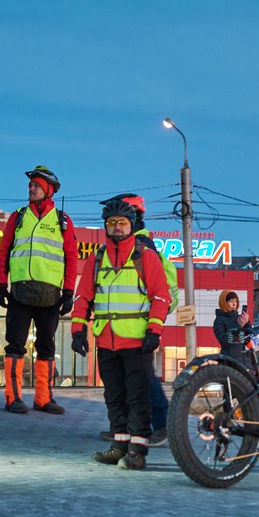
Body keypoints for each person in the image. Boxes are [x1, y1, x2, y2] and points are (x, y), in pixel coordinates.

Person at [71, 198, 171, 470]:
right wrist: (78, 330)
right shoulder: (96, 258)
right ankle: (120, 446)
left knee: (137, 398)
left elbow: (161, 296)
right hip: (106, 340)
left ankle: (137, 453)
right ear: (105, 226)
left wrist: (154, 330)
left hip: (137, 341)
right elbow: (83, 297)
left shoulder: (145, 256)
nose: (117, 227)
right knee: (114, 396)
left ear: (132, 225)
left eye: (123, 223)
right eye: (112, 223)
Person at [0, 165, 77, 414]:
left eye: (37, 185)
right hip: (20, 294)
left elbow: (71, 258)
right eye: (30, 185)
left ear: (49, 190)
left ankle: (43, 398)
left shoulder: (62, 221)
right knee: (15, 346)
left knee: (47, 347)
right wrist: (1, 284)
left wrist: (68, 292)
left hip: (50, 296)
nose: (31, 188)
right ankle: (12, 398)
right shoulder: (18, 217)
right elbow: (4, 251)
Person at [96, 194, 176, 447]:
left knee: (143, 378)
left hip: (142, 319)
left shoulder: (141, 245)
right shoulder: (134, 243)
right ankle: (127, 429)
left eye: (122, 218)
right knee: (132, 379)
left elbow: (157, 288)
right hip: (132, 321)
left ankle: (161, 425)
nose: (117, 225)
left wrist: (153, 325)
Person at [213, 290, 254, 371]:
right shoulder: (219, 320)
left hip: (244, 359)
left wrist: (247, 323)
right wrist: (239, 326)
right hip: (229, 361)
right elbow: (224, 341)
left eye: (235, 301)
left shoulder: (239, 318)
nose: (234, 304)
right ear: (224, 303)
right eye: (231, 301)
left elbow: (248, 337)